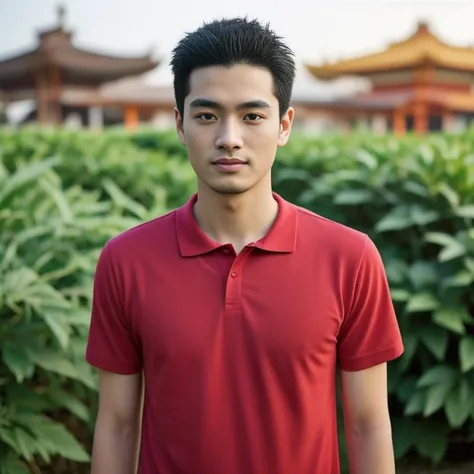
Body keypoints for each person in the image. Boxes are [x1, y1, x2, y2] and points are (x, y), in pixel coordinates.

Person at [85, 17, 404, 474]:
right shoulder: (126, 260)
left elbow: (369, 425)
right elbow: (117, 425)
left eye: (252, 116)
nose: (229, 139)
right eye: (207, 115)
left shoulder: (349, 258)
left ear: (284, 125)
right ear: (179, 124)